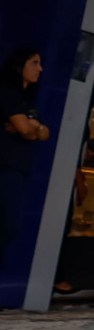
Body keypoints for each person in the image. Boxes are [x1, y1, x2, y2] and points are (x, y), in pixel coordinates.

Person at [0, 49, 50, 263]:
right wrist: (31, 128)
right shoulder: (8, 92)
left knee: (9, 225)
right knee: (9, 224)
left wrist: (34, 125)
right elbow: (26, 131)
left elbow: (44, 134)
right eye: (35, 63)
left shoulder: (27, 97)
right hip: (5, 166)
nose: (40, 68)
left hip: (19, 168)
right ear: (20, 66)